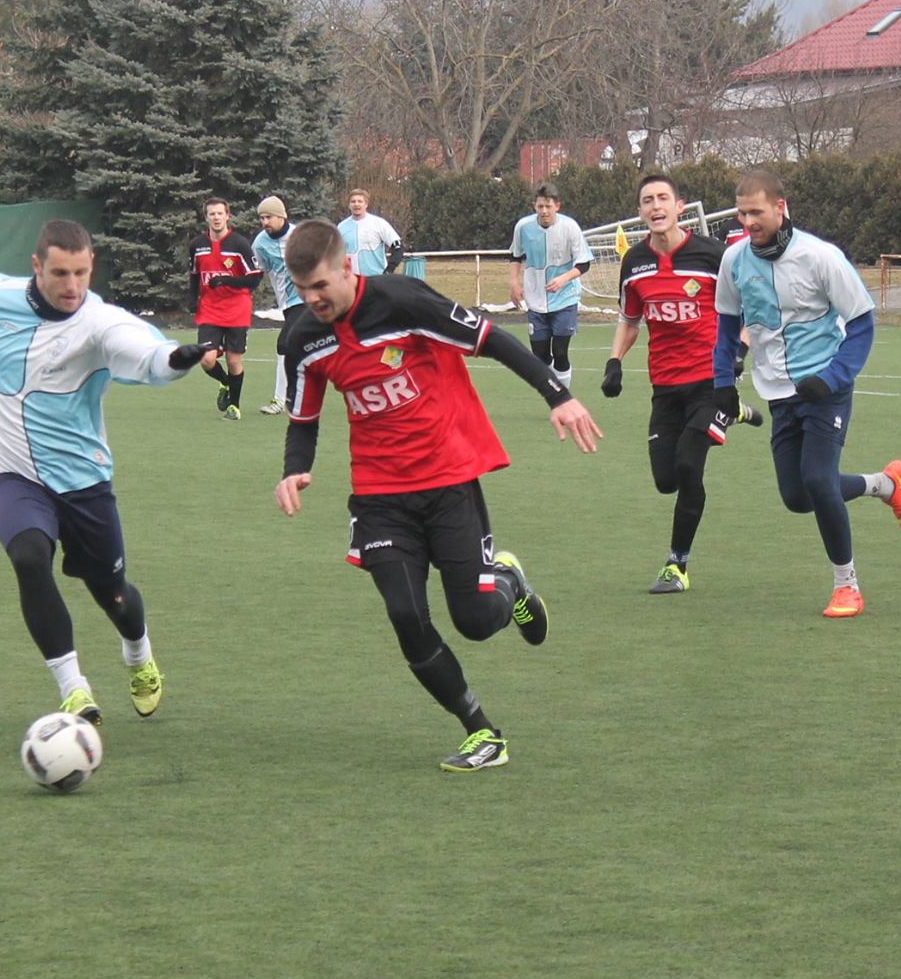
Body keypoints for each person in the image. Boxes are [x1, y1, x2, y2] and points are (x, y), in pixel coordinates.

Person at [274, 219, 603, 772]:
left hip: (447, 481)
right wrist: (294, 470)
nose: (312, 300)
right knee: (406, 615)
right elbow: (303, 420)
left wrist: (558, 396)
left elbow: (492, 339)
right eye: (302, 289)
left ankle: (510, 582)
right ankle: (482, 732)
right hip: (379, 496)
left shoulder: (403, 301)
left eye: (321, 286)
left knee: (474, 620)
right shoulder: (303, 340)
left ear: (347, 268)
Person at [0, 219, 218, 724]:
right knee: (29, 557)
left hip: (82, 480)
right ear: (36, 266)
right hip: (10, 471)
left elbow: (149, 354)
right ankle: (74, 689)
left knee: (115, 596)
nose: (73, 286)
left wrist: (178, 359)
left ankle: (138, 655)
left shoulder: (100, 322)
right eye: (61, 273)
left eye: (82, 273)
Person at [713, 170, 901, 619]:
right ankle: (884, 484)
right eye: (742, 213)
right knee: (797, 496)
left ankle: (847, 586)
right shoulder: (734, 261)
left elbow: (861, 324)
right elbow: (726, 327)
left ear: (780, 207)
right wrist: (722, 383)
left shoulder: (821, 257)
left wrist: (833, 376)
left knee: (820, 480)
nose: (749, 222)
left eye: (756, 212)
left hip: (827, 388)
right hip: (778, 392)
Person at [601, 173, 751, 595]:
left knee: (688, 465)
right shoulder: (634, 263)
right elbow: (630, 319)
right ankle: (735, 413)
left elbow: (751, 309)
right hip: (665, 386)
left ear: (679, 206)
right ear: (640, 211)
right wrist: (614, 362)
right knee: (666, 480)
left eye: (663, 198)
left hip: (711, 381)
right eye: (647, 200)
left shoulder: (713, 256)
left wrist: (739, 350)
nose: (656, 206)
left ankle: (677, 565)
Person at [507, 182, 593, 385]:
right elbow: (515, 255)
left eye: (548, 206)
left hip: (565, 298)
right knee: (540, 356)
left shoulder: (570, 227)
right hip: (535, 299)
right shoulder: (523, 227)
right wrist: (514, 283)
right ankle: (554, 384)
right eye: (540, 206)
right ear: (534, 206)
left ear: (557, 206)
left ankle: (563, 397)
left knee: (560, 352)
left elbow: (584, 263)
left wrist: (563, 279)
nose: (544, 211)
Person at [188, 196, 260, 420]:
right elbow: (194, 275)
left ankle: (234, 407)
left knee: (233, 360)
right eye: (212, 214)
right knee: (206, 359)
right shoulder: (197, 245)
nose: (216, 217)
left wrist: (228, 281)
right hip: (209, 309)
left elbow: (255, 277)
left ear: (227, 216)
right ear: (206, 217)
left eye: (220, 213)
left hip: (237, 309)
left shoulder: (239, 244)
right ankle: (225, 382)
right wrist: (192, 298)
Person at [250, 194, 301, 414]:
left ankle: (281, 400)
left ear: (281, 216)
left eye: (268, 217)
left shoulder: (300, 236)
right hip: (287, 303)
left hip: (309, 299)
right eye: (262, 218)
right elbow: (257, 272)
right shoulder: (260, 243)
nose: (265, 222)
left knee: (284, 344)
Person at [338, 188, 404, 277]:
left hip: (376, 279)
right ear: (349, 205)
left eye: (360, 201)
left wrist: (389, 269)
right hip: (352, 281)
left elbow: (398, 246)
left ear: (366, 204)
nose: (356, 204)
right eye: (353, 201)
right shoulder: (341, 227)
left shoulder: (379, 223)